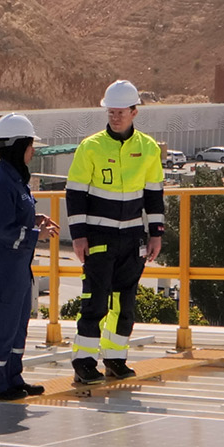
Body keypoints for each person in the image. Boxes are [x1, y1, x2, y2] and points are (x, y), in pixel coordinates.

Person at [65, 79, 163, 384]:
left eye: (121, 111)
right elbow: (75, 193)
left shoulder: (148, 148)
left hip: (132, 239)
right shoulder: (91, 147)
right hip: (98, 238)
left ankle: (115, 358)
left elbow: (154, 194)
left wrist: (156, 233)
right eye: (110, 111)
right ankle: (83, 362)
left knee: (125, 302)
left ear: (134, 112)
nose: (115, 116)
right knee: (94, 300)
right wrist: (79, 235)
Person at [0, 113, 56, 400]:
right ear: (18, 146)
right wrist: (37, 235)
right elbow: (3, 230)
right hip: (3, 270)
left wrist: (35, 219)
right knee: (1, 326)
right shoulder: (1, 185)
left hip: (17, 268)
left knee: (18, 323)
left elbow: (16, 217)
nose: (33, 151)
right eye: (30, 145)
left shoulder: (15, 179)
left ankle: (12, 377)